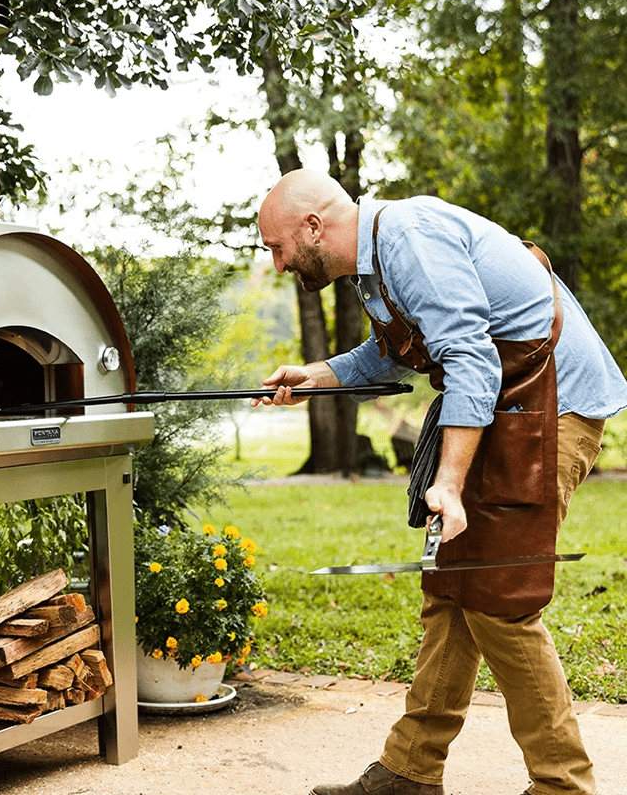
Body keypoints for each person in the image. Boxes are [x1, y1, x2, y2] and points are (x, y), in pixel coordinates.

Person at [254, 169, 627, 795]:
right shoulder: (375, 264)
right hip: (507, 411)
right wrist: (317, 374)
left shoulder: (409, 238)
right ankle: (410, 771)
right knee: (452, 592)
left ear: (313, 227)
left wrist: (448, 483)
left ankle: (565, 786)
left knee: (500, 600)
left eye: (277, 246)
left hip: (549, 412)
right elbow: (398, 352)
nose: (277, 262)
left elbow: (471, 358)